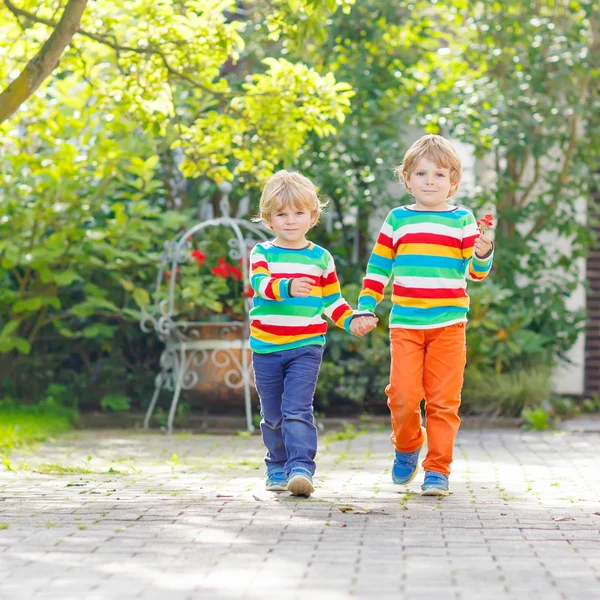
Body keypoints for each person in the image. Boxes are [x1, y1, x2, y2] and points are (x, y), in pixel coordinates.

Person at [351, 134, 494, 496]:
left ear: (454, 182)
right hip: (407, 325)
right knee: (402, 394)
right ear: (407, 179)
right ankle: (407, 443)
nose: (430, 181)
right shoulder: (397, 220)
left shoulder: (463, 219)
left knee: (444, 401)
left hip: (449, 325)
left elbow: (474, 274)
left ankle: (437, 469)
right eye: (422, 174)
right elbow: (379, 267)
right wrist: (366, 305)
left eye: (439, 175)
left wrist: (482, 251)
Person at [249, 170, 376, 497]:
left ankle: (301, 468)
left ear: (312, 216)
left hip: (306, 347)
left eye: (298, 213)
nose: (290, 220)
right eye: (281, 214)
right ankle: (276, 465)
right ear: (268, 219)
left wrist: (352, 322)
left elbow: (332, 301)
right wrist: (288, 286)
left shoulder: (320, 258)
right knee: (273, 414)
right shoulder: (263, 253)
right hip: (266, 348)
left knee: (297, 409)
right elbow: (260, 286)